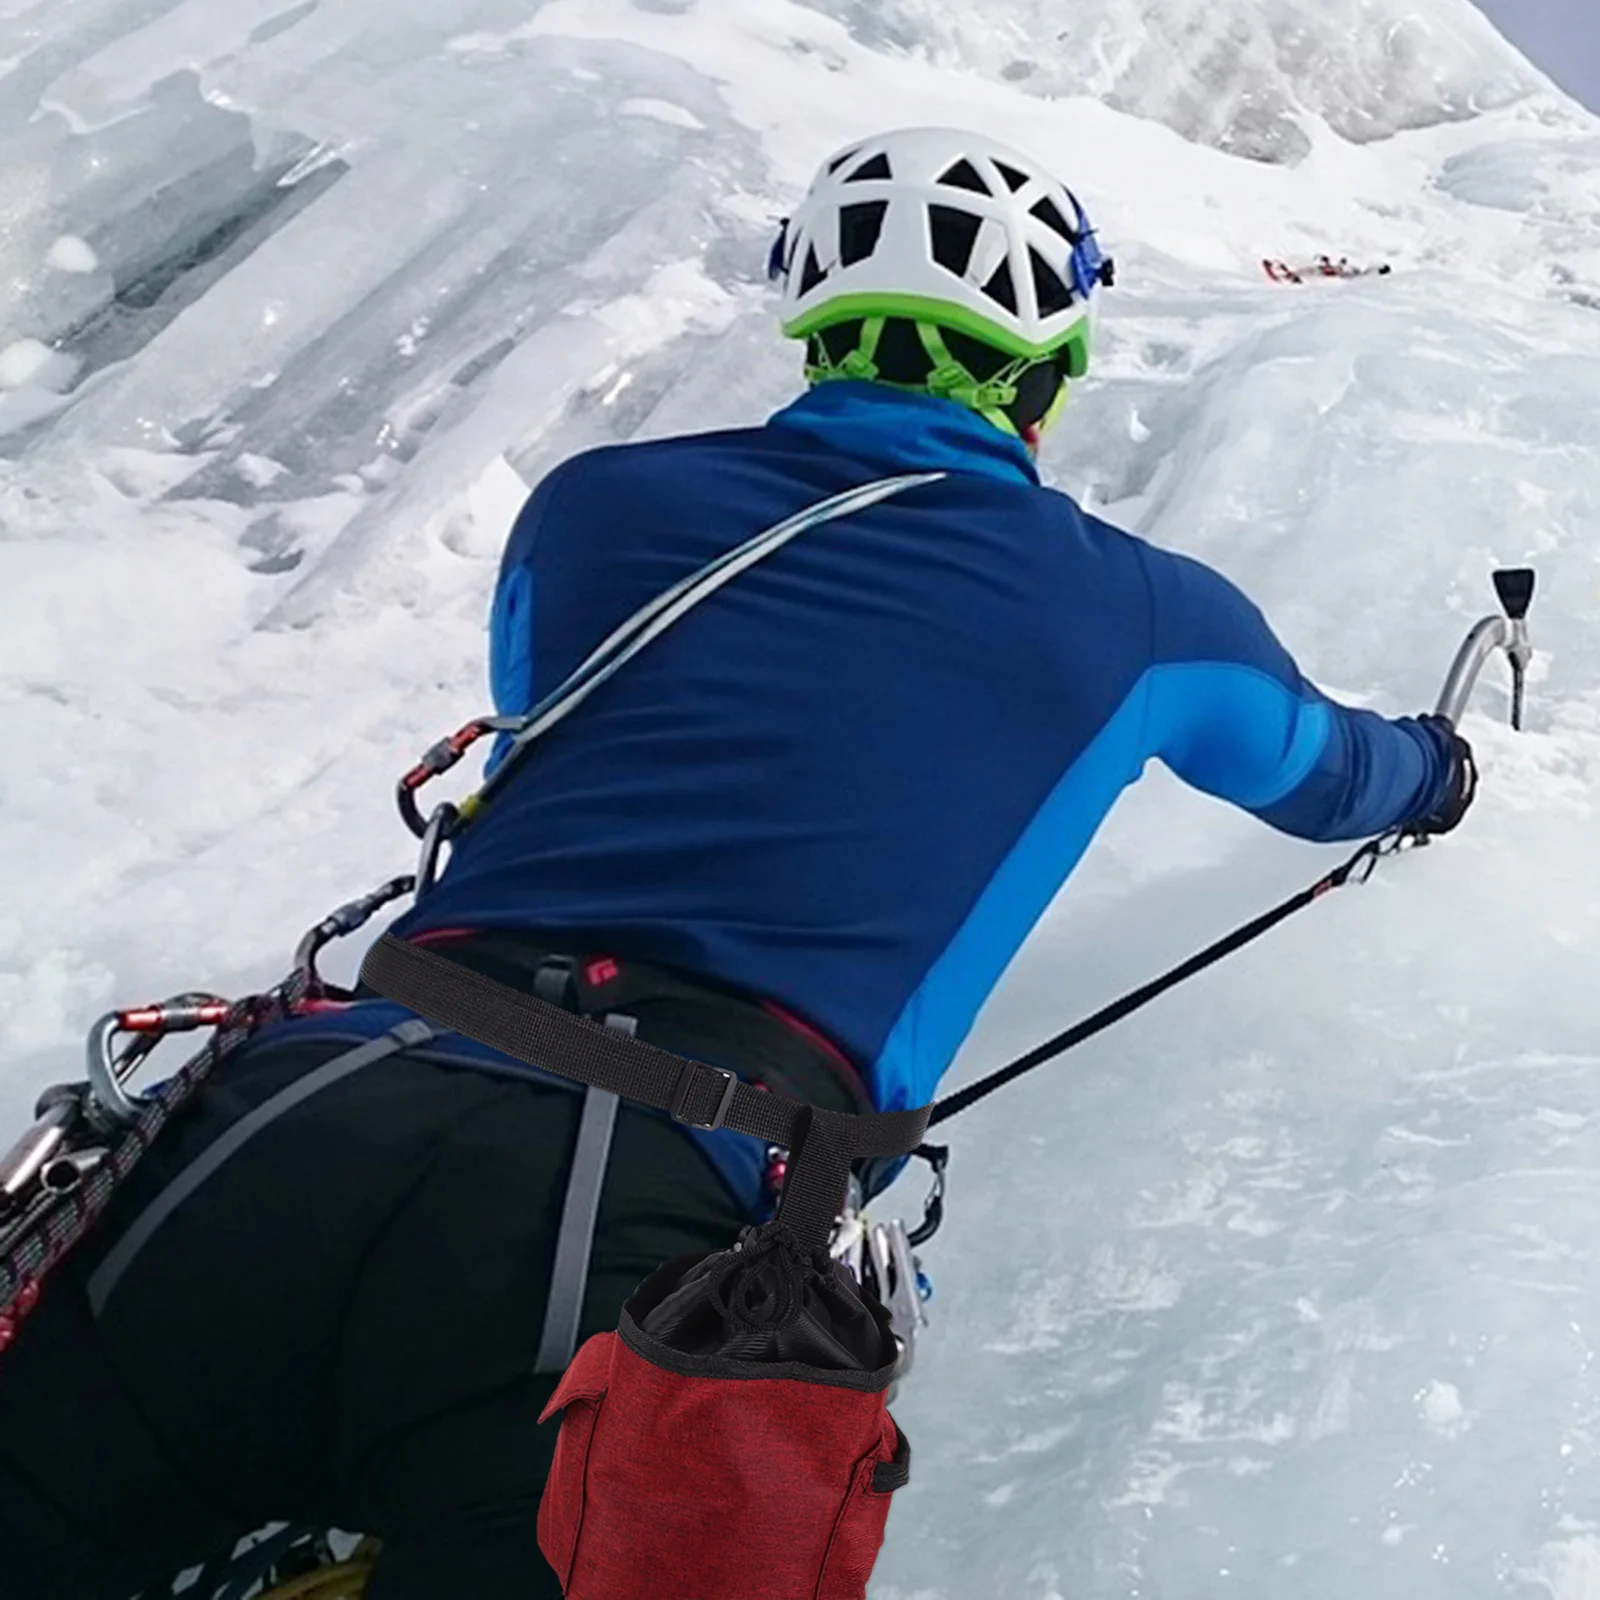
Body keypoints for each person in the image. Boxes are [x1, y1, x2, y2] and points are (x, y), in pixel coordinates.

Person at [0, 126, 1473, 1600]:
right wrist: (1446, 766)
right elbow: (1322, 772)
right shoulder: (1143, 613)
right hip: (653, 1215)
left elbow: (542, 735)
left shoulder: (595, 507)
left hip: (295, 1117)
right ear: (1052, 371)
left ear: (813, 322)